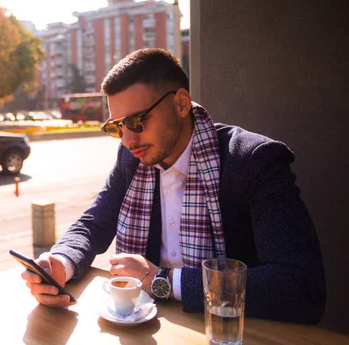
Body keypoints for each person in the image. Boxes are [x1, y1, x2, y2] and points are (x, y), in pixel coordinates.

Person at [21, 48, 325, 324]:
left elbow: (301, 287)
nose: (128, 139)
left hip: (230, 331)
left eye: (138, 120)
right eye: (117, 127)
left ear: (181, 104)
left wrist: (164, 281)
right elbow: (95, 222)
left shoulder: (252, 160)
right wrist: (61, 262)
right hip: (151, 329)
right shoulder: (132, 160)